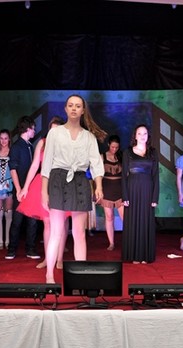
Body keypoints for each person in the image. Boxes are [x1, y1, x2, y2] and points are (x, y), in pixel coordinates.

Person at [41, 94, 106, 283]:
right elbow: (47, 163)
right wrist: (44, 191)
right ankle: (49, 274)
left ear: (83, 110)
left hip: (80, 180)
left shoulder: (89, 137)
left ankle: (81, 276)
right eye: (70, 105)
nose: (74, 108)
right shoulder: (55, 133)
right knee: (56, 232)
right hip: (58, 179)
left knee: (79, 233)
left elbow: (96, 163)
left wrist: (99, 185)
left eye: (78, 106)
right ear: (65, 109)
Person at [17, 115, 67, 269]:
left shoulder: (66, 144)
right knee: (47, 223)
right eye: (52, 130)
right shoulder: (42, 143)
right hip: (42, 183)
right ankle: (48, 258)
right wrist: (25, 187)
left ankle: (59, 258)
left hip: (60, 184)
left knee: (61, 223)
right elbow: (34, 166)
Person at [121, 124, 160, 264]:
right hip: (132, 190)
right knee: (132, 222)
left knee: (146, 222)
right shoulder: (127, 152)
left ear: (148, 136)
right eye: (139, 133)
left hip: (148, 190)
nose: (142, 136)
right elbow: (124, 176)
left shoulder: (153, 153)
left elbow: (156, 175)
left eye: (145, 133)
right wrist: (125, 196)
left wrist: (155, 197)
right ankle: (133, 255)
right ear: (135, 136)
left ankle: (145, 255)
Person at [5, 116, 40, 261]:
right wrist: (19, 189)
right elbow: (13, 169)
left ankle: (30, 249)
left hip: (31, 189)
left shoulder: (30, 146)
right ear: (27, 128)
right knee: (17, 220)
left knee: (32, 221)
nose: (34, 131)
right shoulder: (16, 147)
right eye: (33, 128)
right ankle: (11, 249)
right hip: (20, 189)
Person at [98, 134, 125, 251]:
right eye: (112, 147)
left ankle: (129, 240)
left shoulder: (121, 156)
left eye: (116, 147)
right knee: (109, 217)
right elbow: (97, 174)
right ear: (108, 144)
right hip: (107, 189)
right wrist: (98, 189)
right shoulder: (102, 156)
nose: (114, 149)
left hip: (120, 189)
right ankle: (111, 243)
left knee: (125, 216)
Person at [0, 129, 13, 250]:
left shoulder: (13, 151)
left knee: (8, 214)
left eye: (5, 138)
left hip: (9, 185)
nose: (3, 141)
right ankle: (0, 241)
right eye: (1, 138)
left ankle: (8, 240)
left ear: (9, 139)